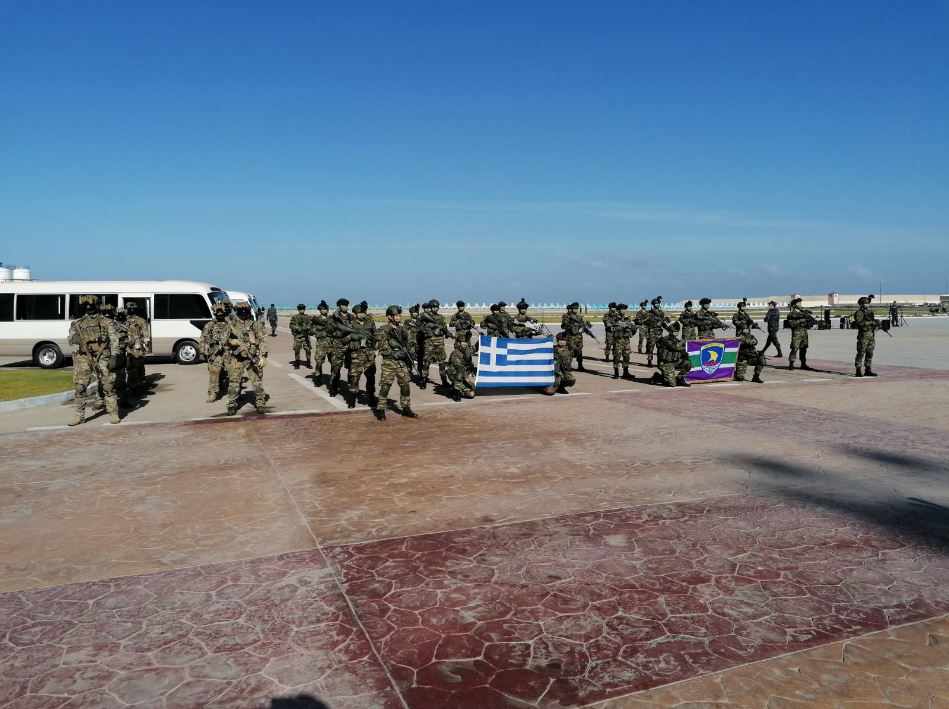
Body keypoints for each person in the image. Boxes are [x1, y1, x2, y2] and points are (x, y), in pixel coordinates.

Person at [67, 295, 121, 425]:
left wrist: (114, 356)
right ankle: (79, 415)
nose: (89, 308)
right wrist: (75, 339)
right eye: (87, 306)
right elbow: (69, 339)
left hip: (102, 356)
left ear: (96, 306)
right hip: (84, 358)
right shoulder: (77, 323)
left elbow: (114, 340)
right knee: (80, 387)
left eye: (91, 306)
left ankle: (113, 413)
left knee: (108, 386)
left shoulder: (106, 322)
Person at [224, 302, 268, 414]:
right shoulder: (232, 324)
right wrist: (232, 341)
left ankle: (260, 402)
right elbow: (223, 339)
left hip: (252, 357)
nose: (243, 312)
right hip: (237, 358)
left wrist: (263, 356)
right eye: (241, 310)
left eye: (245, 310)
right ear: (237, 311)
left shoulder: (255, 325)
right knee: (234, 381)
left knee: (257, 381)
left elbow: (263, 340)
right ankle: (232, 403)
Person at [374, 305, 417, 420]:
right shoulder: (383, 330)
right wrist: (393, 353)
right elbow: (379, 346)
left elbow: (411, 341)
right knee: (385, 386)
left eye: (399, 315)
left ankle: (406, 407)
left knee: (405, 385)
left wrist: (409, 350)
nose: (398, 317)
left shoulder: (403, 329)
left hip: (402, 362)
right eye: (396, 315)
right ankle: (381, 409)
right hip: (389, 362)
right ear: (389, 316)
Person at [344, 303, 377, 408]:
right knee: (354, 378)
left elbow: (376, 336)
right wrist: (352, 336)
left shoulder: (370, 323)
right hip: (356, 355)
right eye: (359, 313)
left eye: (363, 312)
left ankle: (371, 398)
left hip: (369, 355)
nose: (362, 314)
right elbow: (342, 340)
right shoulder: (349, 325)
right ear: (355, 314)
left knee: (371, 378)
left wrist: (373, 341)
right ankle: (352, 400)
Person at [200, 302, 231, 402]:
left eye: (222, 312)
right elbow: (203, 338)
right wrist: (202, 351)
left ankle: (235, 393)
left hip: (228, 352)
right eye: (218, 312)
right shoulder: (210, 325)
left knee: (232, 373)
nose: (220, 314)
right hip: (215, 352)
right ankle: (213, 393)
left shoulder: (230, 324)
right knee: (214, 373)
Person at [100, 303, 130, 409]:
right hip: (103, 356)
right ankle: (100, 401)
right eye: (105, 312)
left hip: (117, 356)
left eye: (108, 312)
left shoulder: (120, 326)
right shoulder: (98, 325)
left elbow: (127, 340)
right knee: (102, 380)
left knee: (120, 379)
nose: (107, 315)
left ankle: (123, 400)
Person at [419, 299, 450, 390]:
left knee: (441, 362)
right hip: (429, 342)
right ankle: (423, 380)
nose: (435, 308)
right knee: (427, 362)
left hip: (439, 342)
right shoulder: (425, 316)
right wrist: (428, 328)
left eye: (436, 307)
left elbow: (444, 327)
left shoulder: (440, 317)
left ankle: (444, 380)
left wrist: (446, 333)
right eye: (433, 307)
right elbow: (420, 326)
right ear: (430, 307)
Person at [325, 298, 353, 396]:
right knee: (336, 368)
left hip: (350, 345)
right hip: (337, 345)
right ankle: (334, 388)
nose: (344, 307)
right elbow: (328, 330)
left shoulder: (352, 317)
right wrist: (336, 326)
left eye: (346, 305)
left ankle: (351, 386)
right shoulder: (333, 317)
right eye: (342, 305)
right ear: (339, 306)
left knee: (352, 367)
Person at [651, 321, 691, 387]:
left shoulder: (676, 340)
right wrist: (683, 340)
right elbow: (675, 347)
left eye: (677, 331)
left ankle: (680, 378)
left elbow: (681, 349)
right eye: (675, 331)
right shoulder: (665, 340)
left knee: (688, 363)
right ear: (671, 331)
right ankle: (657, 377)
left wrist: (684, 354)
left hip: (674, 362)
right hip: (665, 363)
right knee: (672, 384)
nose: (676, 333)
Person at [124, 301, 150, 396]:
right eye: (129, 309)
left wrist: (145, 344)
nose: (131, 310)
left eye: (133, 309)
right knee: (129, 366)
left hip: (137, 346)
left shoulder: (141, 320)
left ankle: (139, 384)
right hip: (126, 346)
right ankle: (131, 384)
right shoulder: (123, 320)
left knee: (138, 366)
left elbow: (145, 333)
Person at [446, 324, 477, 400]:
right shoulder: (455, 354)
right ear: (459, 343)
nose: (464, 344)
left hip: (463, 373)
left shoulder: (468, 350)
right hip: (454, 373)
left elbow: (476, 347)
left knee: (472, 393)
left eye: (466, 342)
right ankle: (456, 392)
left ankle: (454, 387)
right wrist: (468, 381)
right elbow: (460, 368)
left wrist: (481, 339)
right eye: (462, 343)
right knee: (460, 374)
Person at [786, 297, 816, 371]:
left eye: (800, 303)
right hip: (797, 333)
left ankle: (803, 364)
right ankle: (791, 364)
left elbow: (807, 323)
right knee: (794, 348)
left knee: (803, 349)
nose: (800, 304)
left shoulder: (803, 313)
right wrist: (803, 321)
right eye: (798, 303)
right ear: (794, 305)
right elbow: (792, 324)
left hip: (804, 333)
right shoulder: (792, 314)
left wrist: (810, 323)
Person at [853, 296, 880, 377]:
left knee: (870, 353)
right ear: (861, 304)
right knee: (861, 352)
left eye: (868, 303)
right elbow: (859, 323)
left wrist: (876, 323)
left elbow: (872, 320)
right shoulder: (859, 313)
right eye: (866, 303)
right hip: (863, 335)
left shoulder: (869, 312)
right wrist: (870, 323)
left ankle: (868, 370)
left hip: (871, 334)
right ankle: (858, 370)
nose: (867, 305)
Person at [560, 302, 590, 371]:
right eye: (574, 309)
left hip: (579, 337)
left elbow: (582, 327)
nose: (575, 310)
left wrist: (582, 329)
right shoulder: (566, 316)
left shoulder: (579, 317)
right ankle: (568, 366)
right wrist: (571, 327)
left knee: (579, 352)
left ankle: (580, 366)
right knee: (570, 352)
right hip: (571, 337)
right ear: (572, 309)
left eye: (577, 308)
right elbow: (564, 326)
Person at [310, 300, 332, 387]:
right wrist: (318, 331)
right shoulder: (316, 320)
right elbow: (311, 332)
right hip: (321, 344)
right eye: (322, 309)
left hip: (332, 344)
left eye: (325, 309)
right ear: (320, 310)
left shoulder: (331, 319)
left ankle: (333, 380)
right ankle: (318, 379)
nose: (324, 310)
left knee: (334, 363)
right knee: (319, 362)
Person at [611, 303, 635, 379]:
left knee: (626, 356)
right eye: (622, 309)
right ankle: (616, 373)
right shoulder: (614, 318)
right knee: (617, 356)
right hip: (618, 340)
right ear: (618, 310)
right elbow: (610, 327)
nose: (623, 310)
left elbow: (631, 329)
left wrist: (633, 328)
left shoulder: (627, 319)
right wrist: (622, 327)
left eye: (624, 309)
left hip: (626, 340)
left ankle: (625, 373)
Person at [644, 297, 666, 367]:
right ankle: (649, 361)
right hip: (652, 332)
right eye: (656, 303)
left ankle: (659, 362)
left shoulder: (661, 312)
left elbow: (663, 322)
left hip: (659, 332)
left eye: (658, 303)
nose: (657, 304)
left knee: (660, 348)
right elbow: (645, 322)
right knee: (651, 347)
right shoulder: (650, 312)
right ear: (653, 304)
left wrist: (664, 323)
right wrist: (653, 321)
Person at [289, 304, 312, 369]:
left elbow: (311, 324)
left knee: (308, 350)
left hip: (306, 336)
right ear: (298, 310)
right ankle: (297, 363)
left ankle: (308, 362)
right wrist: (297, 328)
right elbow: (291, 325)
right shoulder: (294, 317)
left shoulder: (307, 317)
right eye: (300, 309)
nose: (302, 310)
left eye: (303, 309)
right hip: (298, 336)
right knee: (297, 349)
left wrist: (307, 328)